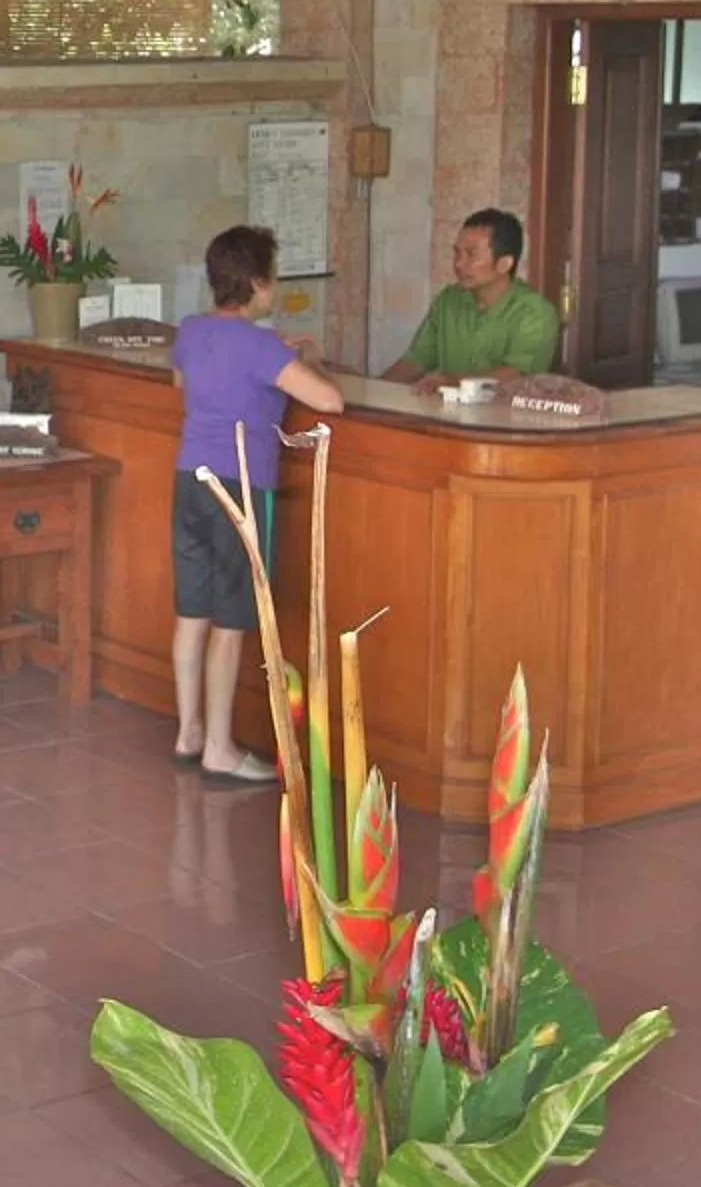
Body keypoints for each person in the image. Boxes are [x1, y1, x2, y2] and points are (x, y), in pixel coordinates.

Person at [169, 227, 345, 784]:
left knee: (191, 611)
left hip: (189, 479)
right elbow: (329, 400)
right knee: (231, 618)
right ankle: (220, 748)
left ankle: (188, 731)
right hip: (240, 487)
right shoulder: (262, 345)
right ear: (257, 284)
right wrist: (306, 360)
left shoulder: (192, 333)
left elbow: (183, 382)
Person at [380, 208, 563, 392]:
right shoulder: (448, 301)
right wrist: (373, 390)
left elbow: (517, 375)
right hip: (444, 415)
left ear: (504, 263)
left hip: (503, 417)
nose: (459, 263)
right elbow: (416, 361)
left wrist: (451, 381)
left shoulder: (535, 312)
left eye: (471, 254)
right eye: (457, 253)